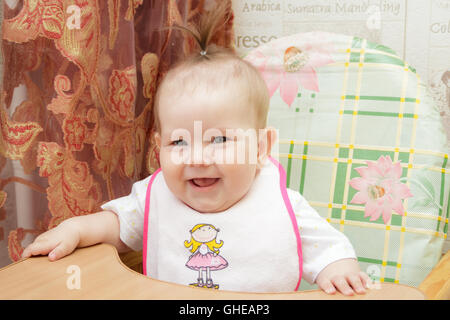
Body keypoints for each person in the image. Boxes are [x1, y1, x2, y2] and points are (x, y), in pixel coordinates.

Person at [21, 2, 371, 295]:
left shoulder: (282, 205)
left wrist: (338, 272)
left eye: (219, 139)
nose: (198, 158)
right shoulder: (155, 196)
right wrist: (74, 230)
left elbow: (330, 251)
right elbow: (114, 224)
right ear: (159, 148)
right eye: (178, 142)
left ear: (261, 147)